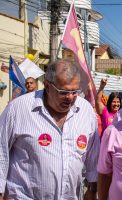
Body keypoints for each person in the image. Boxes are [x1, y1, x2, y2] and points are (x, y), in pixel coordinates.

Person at [0, 59, 100, 199]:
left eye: (75, 91)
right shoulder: (18, 109)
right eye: (63, 92)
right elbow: (1, 151)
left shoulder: (86, 111)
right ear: (47, 85)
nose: (70, 98)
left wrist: (92, 188)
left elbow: (93, 156)